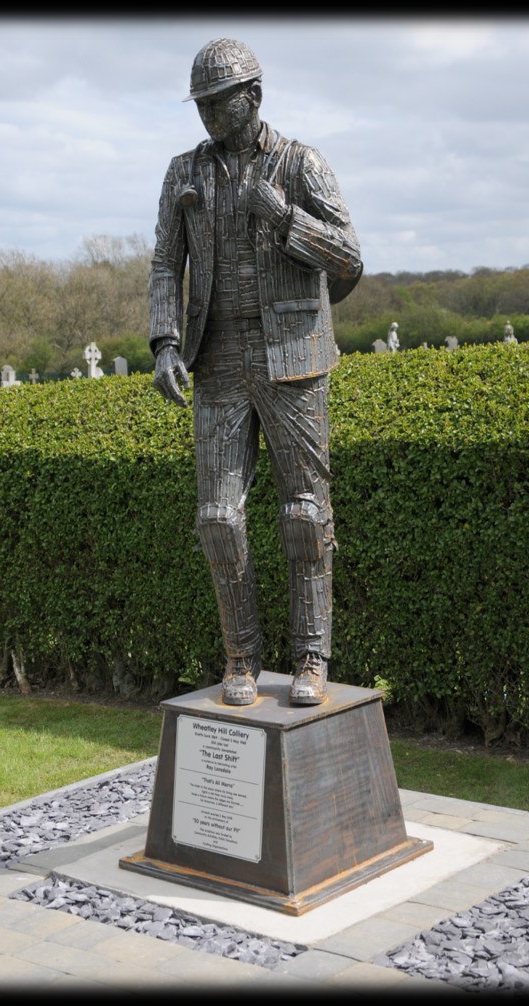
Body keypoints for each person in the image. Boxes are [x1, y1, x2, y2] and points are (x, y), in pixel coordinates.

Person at [150, 38, 362, 707]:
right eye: (203, 105)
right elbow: (164, 263)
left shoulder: (301, 164)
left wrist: (286, 217)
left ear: (255, 96)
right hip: (217, 359)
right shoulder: (184, 172)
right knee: (217, 517)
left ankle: (310, 659)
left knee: (304, 513)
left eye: (221, 101)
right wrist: (163, 341)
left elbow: (350, 260)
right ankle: (240, 658)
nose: (211, 115)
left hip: (293, 358)